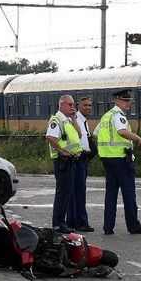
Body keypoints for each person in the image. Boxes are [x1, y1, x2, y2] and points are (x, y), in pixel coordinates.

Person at [96, 89, 141, 235]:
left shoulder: (106, 116)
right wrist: (139, 139)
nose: (128, 104)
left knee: (111, 194)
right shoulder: (119, 116)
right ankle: (133, 226)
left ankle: (108, 227)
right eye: (126, 101)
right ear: (118, 101)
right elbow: (121, 131)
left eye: (129, 101)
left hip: (107, 160)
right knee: (128, 193)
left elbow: (96, 134)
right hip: (121, 159)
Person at [45, 95, 82, 234]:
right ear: (61, 105)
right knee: (62, 193)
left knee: (66, 193)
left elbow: (79, 135)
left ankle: (61, 222)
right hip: (63, 161)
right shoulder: (57, 120)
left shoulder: (67, 120)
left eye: (74, 105)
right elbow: (50, 137)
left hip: (70, 161)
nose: (73, 107)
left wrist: (74, 119)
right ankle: (58, 223)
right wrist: (62, 151)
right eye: (70, 104)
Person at [67, 96, 94, 232]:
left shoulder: (84, 121)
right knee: (79, 192)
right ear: (78, 106)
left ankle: (72, 221)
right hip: (78, 159)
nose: (88, 108)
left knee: (76, 191)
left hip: (84, 159)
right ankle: (81, 222)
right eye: (85, 105)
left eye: (89, 105)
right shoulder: (75, 120)